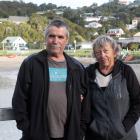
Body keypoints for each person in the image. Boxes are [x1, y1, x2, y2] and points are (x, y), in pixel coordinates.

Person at [12, 19, 88, 140]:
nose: (55, 41)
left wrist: (80, 131)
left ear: (66, 40)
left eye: (60, 37)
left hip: (70, 135)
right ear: (45, 38)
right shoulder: (31, 64)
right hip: (37, 135)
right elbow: (19, 98)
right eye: (51, 36)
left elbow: (86, 103)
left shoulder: (76, 67)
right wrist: (27, 128)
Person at [85, 35, 140, 140]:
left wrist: (124, 127)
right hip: (95, 136)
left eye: (106, 51)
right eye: (98, 52)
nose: (102, 55)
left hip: (125, 136)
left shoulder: (125, 72)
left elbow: (138, 102)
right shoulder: (88, 73)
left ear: (114, 52)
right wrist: (91, 125)